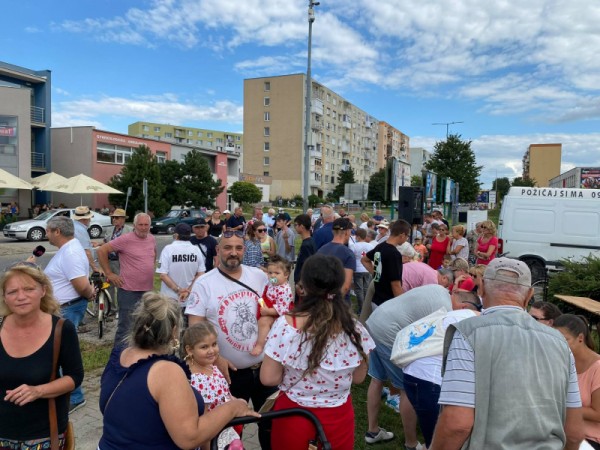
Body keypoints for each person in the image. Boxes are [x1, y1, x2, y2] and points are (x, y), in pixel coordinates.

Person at [431, 258, 584, 450]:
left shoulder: (468, 334)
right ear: (529, 295)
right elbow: (574, 432)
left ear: (482, 289)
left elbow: (457, 424)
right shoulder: (561, 343)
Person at [99, 292, 258, 450]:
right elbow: (189, 437)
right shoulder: (166, 371)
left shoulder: (120, 354)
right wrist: (233, 407)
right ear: (174, 331)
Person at [260, 254, 375, 450]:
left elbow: (268, 378)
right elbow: (358, 378)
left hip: (294, 416)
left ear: (303, 285)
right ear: (339, 285)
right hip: (338, 416)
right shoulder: (354, 329)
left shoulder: (286, 326)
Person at [185, 230, 276, 449]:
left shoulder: (260, 276)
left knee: (271, 426)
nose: (233, 253)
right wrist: (217, 360)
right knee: (231, 430)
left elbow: (277, 308)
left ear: (244, 250)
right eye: (227, 248)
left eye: (238, 248)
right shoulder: (204, 283)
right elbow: (195, 328)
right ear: (217, 251)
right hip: (230, 374)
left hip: (266, 368)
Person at [0, 263, 84, 448]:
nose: (21, 297)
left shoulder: (61, 329)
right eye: (12, 292)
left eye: (29, 289)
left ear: (43, 291)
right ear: (4, 297)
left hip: (42, 435)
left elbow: (75, 377)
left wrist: (37, 391)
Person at [365, 284, 451, 448]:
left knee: (376, 380)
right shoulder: (445, 310)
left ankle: (372, 431)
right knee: (407, 388)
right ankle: (411, 443)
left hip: (376, 320)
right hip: (389, 331)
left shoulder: (439, 290)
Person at [399, 290, 481, 447]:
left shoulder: (445, 317)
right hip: (431, 381)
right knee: (441, 437)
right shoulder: (472, 318)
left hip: (410, 374)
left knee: (430, 428)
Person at [44, 216, 94, 412]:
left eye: (48, 230)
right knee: (58, 352)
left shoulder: (71, 252)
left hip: (67, 308)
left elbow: (81, 285)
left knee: (64, 354)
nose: (46, 234)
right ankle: (65, 392)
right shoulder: (68, 249)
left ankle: (75, 396)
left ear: (57, 232)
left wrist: (90, 293)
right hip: (63, 307)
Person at [97, 213, 156, 348]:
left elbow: (153, 254)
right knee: (126, 326)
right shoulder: (125, 239)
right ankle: (118, 358)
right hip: (129, 290)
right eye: (140, 225)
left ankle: (138, 352)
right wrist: (109, 273)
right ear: (134, 225)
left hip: (147, 290)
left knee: (145, 324)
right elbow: (102, 250)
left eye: (146, 224)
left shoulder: (152, 239)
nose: (143, 227)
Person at [183, 322, 242, 448]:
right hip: (214, 439)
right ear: (189, 350)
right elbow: (204, 425)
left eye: (214, 344)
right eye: (204, 347)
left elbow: (223, 396)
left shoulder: (211, 366)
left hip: (225, 430)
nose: (211, 351)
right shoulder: (197, 380)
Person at [554, 314, 600, 449]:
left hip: (590, 440)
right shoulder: (561, 362)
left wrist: (562, 406)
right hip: (562, 434)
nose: (558, 345)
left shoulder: (597, 368)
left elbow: (598, 414)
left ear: (580, 338)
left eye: (564, 340)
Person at [361, 219, 411, 307]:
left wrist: (376, 273)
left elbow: (364, 260)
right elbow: (395, 284)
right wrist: (402, 305)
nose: (407, 239)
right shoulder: (394, 254)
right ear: (402, 235)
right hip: (387, 303)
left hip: (376, 299)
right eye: (408, 236)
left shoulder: (380, 246)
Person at [251, 255, 294, 356]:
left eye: (277, 273)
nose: (272, 276)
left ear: (286, 275)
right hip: (267, 309)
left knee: (263, 322)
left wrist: (268, 311)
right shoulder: (272, 283)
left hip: (277, 315)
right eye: (270, 273)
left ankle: (260, 345)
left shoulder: (284, 290)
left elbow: (283, 309)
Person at [156, 223, 205, 310]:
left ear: (176, 235)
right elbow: (201, 274)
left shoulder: (168, 249)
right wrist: (188, 290)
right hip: (189, 298)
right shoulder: (196, 250)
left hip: (169, 300)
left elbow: (163, 275)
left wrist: (178, 290)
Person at [95, 208, 132, 303]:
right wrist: (98, 244)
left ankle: (121, 308)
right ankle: (111, 309)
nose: (114, 219)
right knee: (108, 286)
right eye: (113, 217)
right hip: (109, 262)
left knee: (122, 285)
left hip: (122, 263)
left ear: (123, 219)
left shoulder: (130, 231)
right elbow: (106, 242)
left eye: (117, 217)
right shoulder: (110, 229)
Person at [318, 218, 356, 296]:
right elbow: (345, 286)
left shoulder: (321, 250)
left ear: (333, 231)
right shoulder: (348, 253)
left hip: (321, 299)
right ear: (347, 232)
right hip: (339, 303)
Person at [349, 228, 374, 314]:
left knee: (359, 290)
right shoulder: (370, 246)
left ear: (358, 237)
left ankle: (362, 309)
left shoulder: (354, 246)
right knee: (366, 289)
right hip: (367, 269)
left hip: (358, 269)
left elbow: (351, 257)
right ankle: (366, 308)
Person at [72, 205, 101, 273]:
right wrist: (94, 268)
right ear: (84, 219)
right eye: (89, 218)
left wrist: (89, 244)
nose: (90, 220)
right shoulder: (80, 230)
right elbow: (86, 252)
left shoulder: (74, 225)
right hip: (80, 265)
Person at [293, 214, 316, 295]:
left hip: (303, 284)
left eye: (295, 225)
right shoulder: (309, 241)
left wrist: (300, 283)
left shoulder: (307, 244)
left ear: (302, 226)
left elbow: (308, 265)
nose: (294, 227)